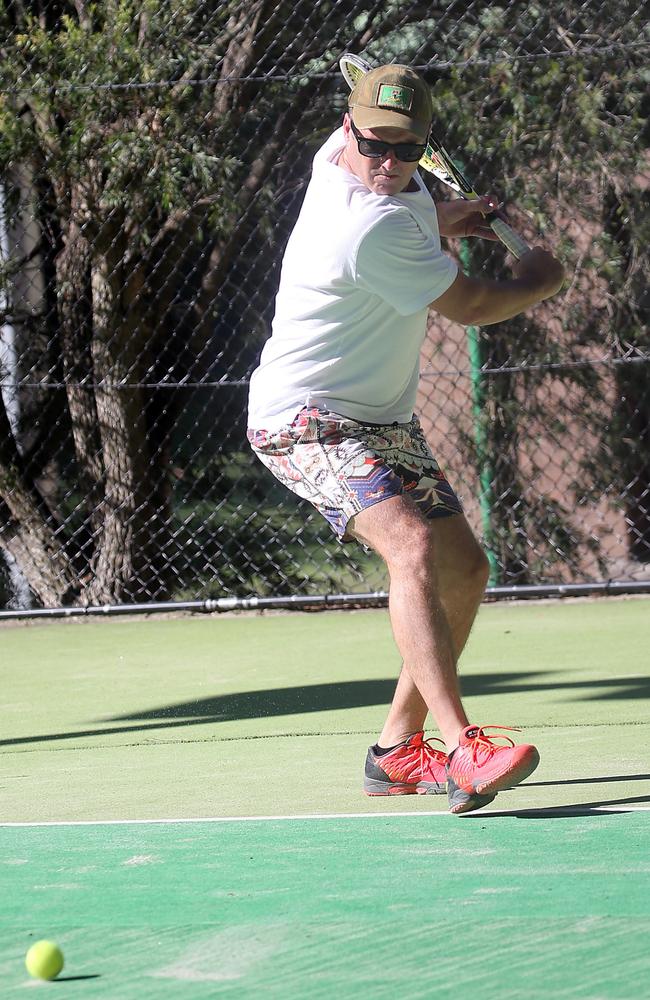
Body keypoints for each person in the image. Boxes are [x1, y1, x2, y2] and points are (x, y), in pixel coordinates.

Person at [247, 64, 565, 814]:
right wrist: (540, 279)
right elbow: (475, 304)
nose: (387, 163)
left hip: (378, 418)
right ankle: (463, 749)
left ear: (423, 143)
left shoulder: (373, 167)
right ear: (348, 128)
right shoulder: (364, 222)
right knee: (412, 548)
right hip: (305, 419)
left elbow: (417, 206)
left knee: (464, 569)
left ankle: (397, 750)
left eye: (405, 149)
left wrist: (455, 218)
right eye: (374, 146)